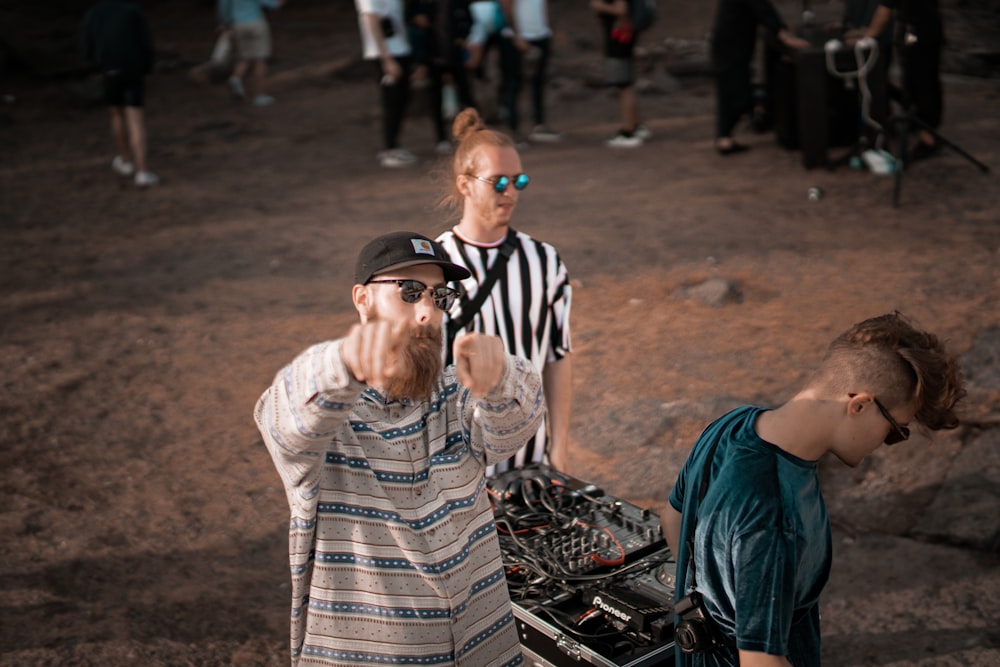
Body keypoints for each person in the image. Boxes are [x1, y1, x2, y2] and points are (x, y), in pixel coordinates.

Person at [254, 230, 545, 666]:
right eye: (409, 292)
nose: (428, 312)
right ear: (362, 299)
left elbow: (514, 429)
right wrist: (345, 362)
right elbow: (284, 418)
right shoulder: (331, 416)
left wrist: (502, 377)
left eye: (440, 296)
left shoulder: (457, 395)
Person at [662, 311, 965, 666]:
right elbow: (761, 662)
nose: (887, 442)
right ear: (859, 405)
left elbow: (674, 519)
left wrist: (716, 599)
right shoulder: (775, 513)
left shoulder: (733, 423)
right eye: (896, 431)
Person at [435, 108, 572, 475]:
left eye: (518, 180)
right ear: (465, 184)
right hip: (460, 468)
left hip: (532, 465)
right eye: (497, 181)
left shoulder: (545, 260)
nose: (510, 192)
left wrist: (558, 447)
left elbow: (558, 357)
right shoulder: (435, 266)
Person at [709, 0, 808, 155]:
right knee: (737, 92)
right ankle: (733, 131)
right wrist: (782, 32)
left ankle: (724, 138)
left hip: (729, 45)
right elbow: (762, 8)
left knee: (728, 90)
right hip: (731, 47)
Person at [82, 0, 159, 187]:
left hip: (109, 70)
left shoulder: (94, 13)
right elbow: (146, 41)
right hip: (133, 70)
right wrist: (147, 67)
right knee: (135, 117)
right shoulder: (132, 11)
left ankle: (125, 160)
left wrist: (97, 66)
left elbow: (87, 44)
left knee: (116, 114)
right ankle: (142, 172)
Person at [865, 0, 944, 162]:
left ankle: (928, 137)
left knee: (923, 84)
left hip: (919, 33)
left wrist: (867, 37)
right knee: (919, 83)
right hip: (921, 31)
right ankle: (920, 125)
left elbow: (885, 10)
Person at [406, 0, 476, 154]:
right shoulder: (421, 5)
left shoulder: (457, 5)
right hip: (432, 56)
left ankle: (476, 132)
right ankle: (441, 139)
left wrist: (463, 36)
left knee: (466, 94)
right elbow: (411, 20)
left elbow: (469, 19)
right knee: (435, 98)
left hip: (454, 54)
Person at [356, 0, 419, 168]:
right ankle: (389, 148)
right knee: (392, 100)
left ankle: (395, 144)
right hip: (386, 54)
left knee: (403, 98)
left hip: (401, 48)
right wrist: (386, 59)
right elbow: (371, 19)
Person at [497, 0, 561, 144]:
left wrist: (547, 29)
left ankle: (539, 125)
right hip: (518, 39)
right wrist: (516, 36)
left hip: (540, 35)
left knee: (538, 81)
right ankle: (513, 130)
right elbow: (506, 7)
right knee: (514, 84)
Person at [590, 0, 651, 147]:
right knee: (626, 80)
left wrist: (599, 5)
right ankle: (636, 124)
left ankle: (628, 131)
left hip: (619, 36)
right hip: (623, 34)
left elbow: (621, 9)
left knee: (623, 83)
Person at [218, 0, 283, 107]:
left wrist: (225, 26)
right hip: (256, 23)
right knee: (260, 60)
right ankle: (259, 96)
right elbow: (272, 4)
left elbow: (223, 9)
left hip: (238, 25)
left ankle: (235, 78)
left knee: (245, 57)